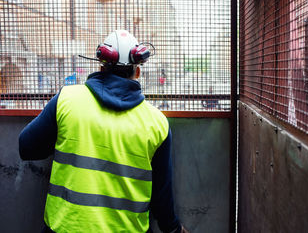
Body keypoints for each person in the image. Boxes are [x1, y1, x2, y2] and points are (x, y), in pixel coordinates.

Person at [19, 30, 188, 233]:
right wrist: (174, 229)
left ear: (101, 65)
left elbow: (26, 147)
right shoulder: (157, 123)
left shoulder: (67, 100)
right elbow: (162, 197)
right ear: (138, 72)